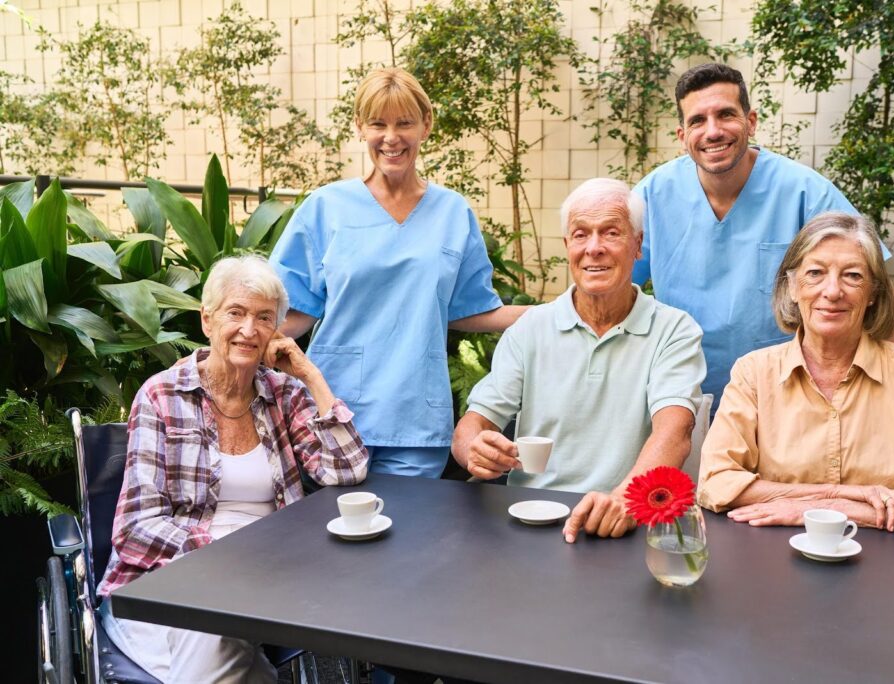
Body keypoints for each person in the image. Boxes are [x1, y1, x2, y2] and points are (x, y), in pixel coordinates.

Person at [97, 256, 370, 682]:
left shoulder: (284, 394)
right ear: (207, 320)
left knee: (218, 629)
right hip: (171, 582)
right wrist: (227, 552)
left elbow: (346, 471)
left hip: (272, 585)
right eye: (236, 313)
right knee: (214, 623)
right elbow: (134, 529)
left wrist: (311, 375)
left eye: (264, 317)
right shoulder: (161, 395)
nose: (249, 329)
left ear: (276, 331)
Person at [270, 67, 526, 479]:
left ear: (426, 125)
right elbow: (295, 310)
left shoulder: (453, 213)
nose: (392, 137)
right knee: (329, 536)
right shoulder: (325, 208)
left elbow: (467, 309)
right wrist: (238, 342)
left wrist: (557, 312)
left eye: (405, 123)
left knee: (406, 536)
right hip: (331, 409)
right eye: (378, 123)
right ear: (360, 128)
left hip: (415, 417)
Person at [632, 62, 894, 410]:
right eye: (698, 121)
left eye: (726, 115)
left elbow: (873, 282)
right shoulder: (653, 195)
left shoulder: (805, 193)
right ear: (682, 136)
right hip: (681, 393)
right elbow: (613, 286)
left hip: (787, 398)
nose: (713, 131)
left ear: (750, 122)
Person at [452, 178, 706, 543]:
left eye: (611, 233)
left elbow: (675, 433)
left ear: (637, 246)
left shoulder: (673, 330)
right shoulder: (530, 329)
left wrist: (624, 501)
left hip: (625, 518)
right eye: (581, 234)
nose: (594, 248)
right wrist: (474, 450)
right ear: (568, 246)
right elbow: (471, 427)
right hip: (534, 517)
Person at [697, 212, 894, 534]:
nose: (832, 291)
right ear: (792, 286)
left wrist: (837, 509)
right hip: (775, 565)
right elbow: (715, 483)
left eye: (853, 276)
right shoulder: (754, 373)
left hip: (892, 569)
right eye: (815, 273)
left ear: (873, 293)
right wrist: (841, 494)